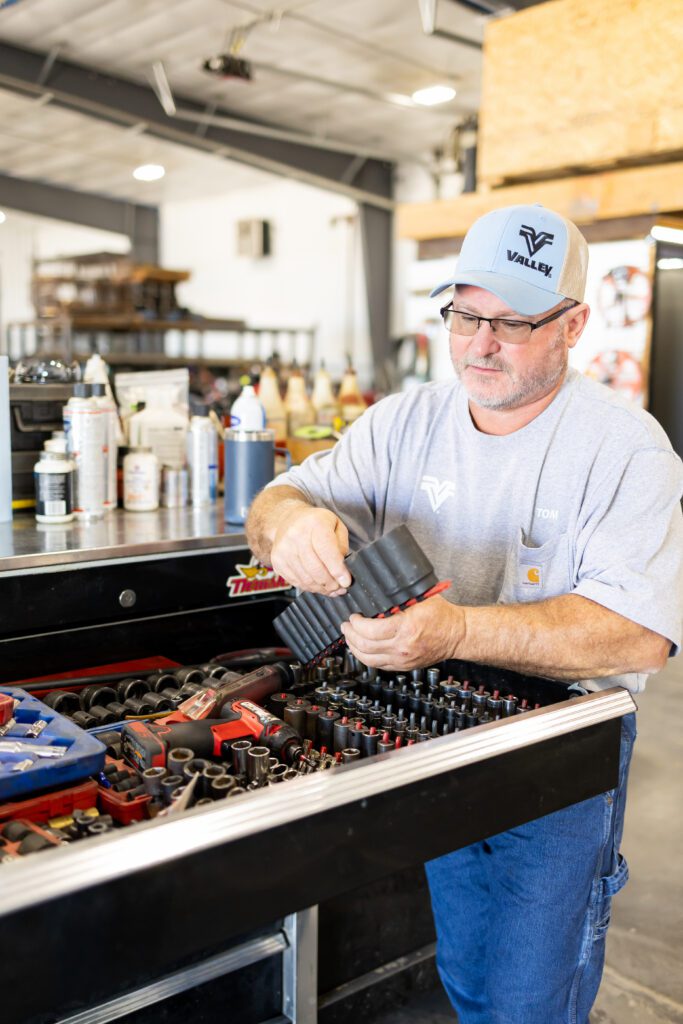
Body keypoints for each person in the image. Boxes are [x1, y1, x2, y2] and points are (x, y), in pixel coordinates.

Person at [246, 204, 683, 1024]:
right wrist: (292, 525)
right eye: (464, 314)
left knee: (528, 998)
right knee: (468, 971)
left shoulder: (627, 451)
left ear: (573, 323)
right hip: (439, 720)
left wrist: (453, 629)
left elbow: (639, 635)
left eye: (512, 322)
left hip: (560, 746)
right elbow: (274, 498)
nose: (480, 342)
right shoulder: (403, 423)